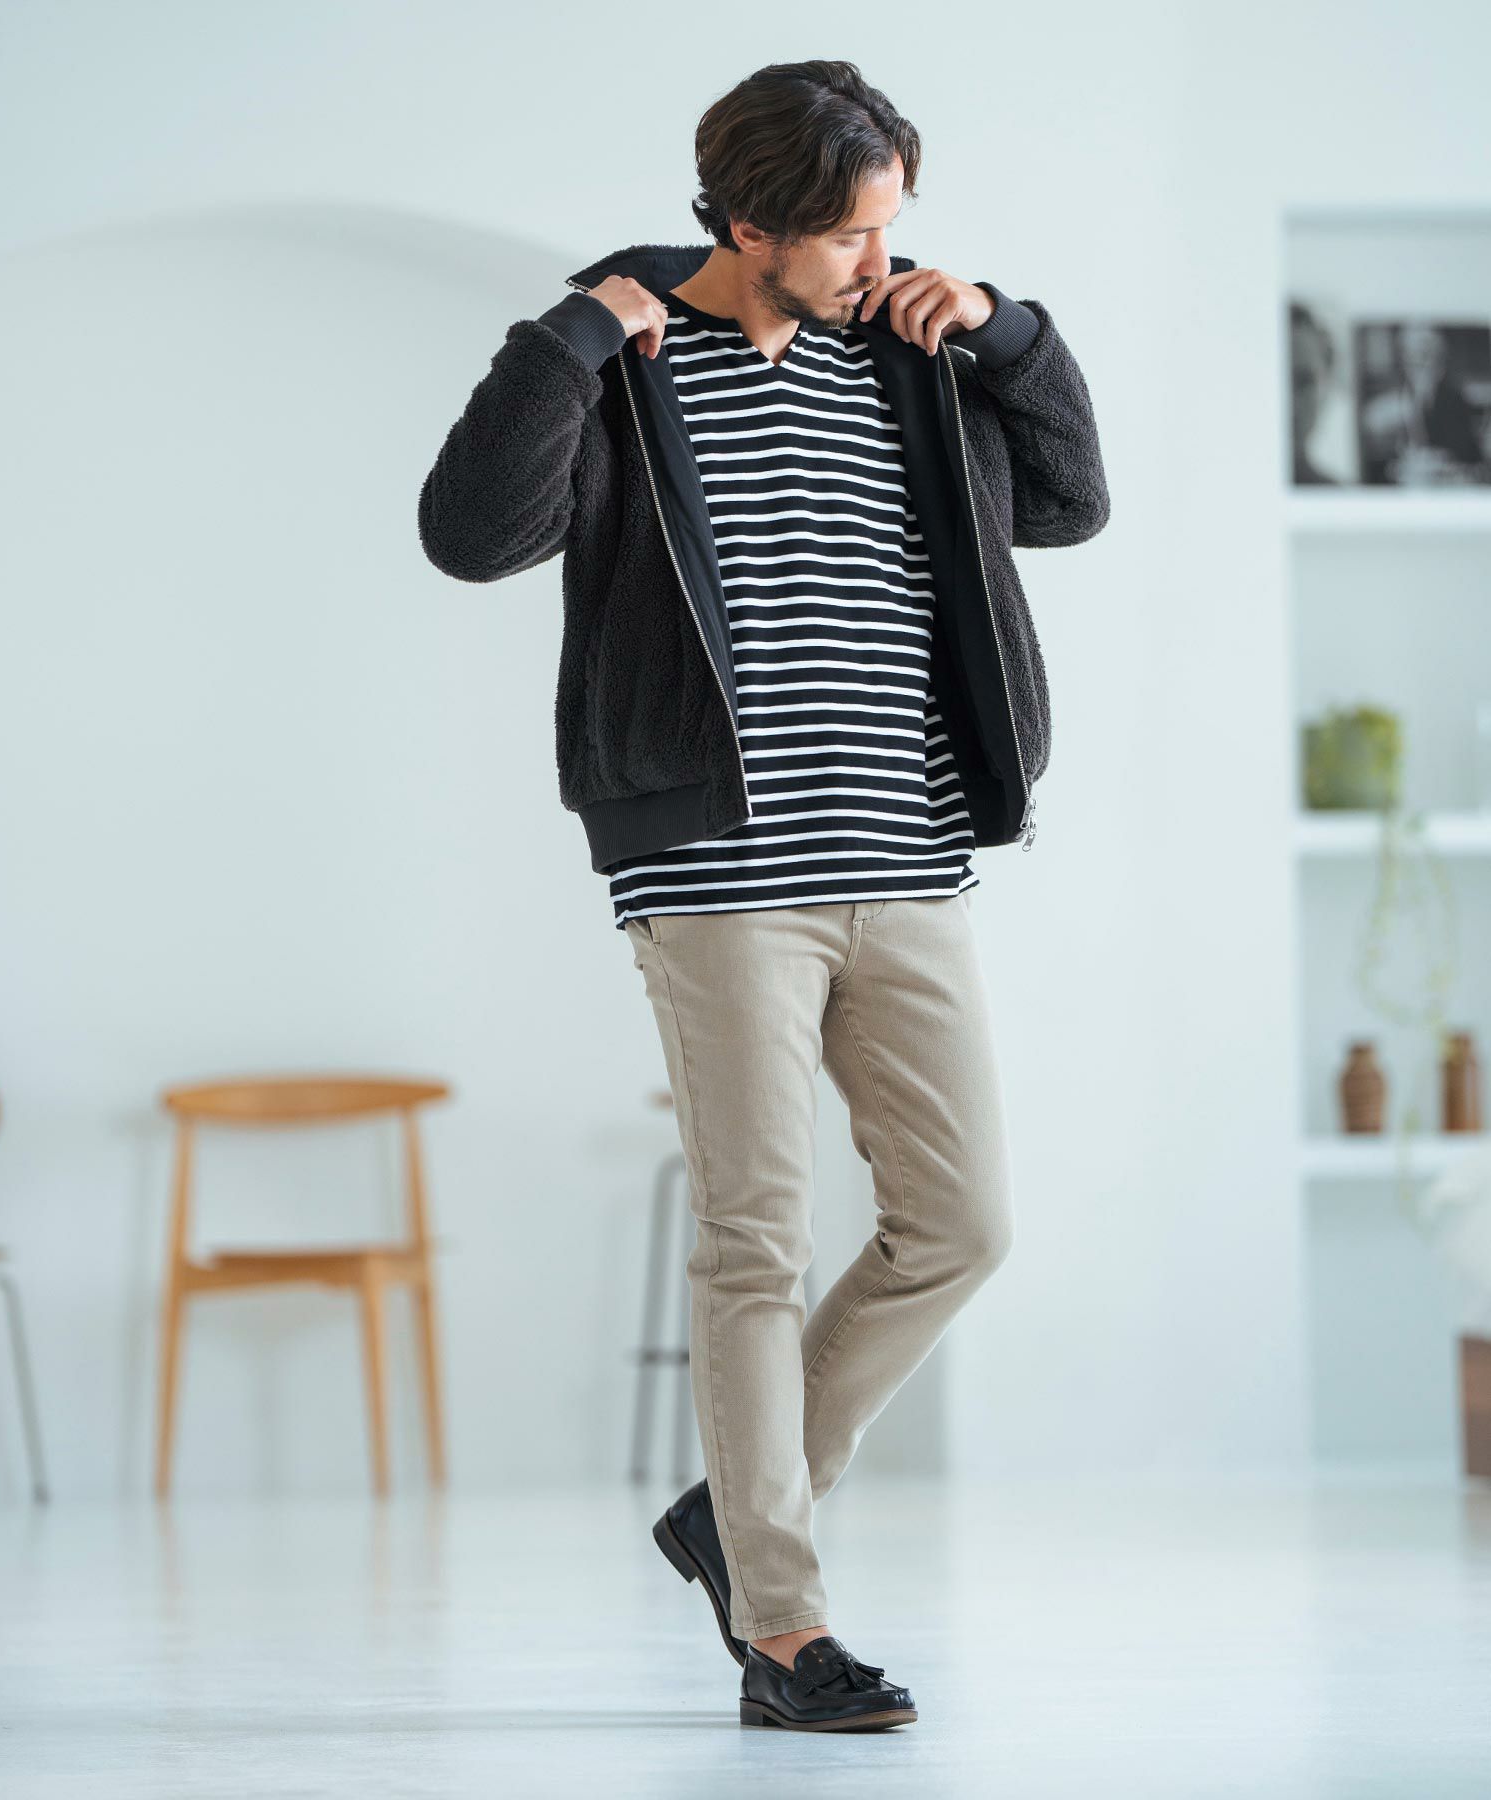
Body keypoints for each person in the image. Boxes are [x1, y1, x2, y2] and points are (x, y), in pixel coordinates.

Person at [418, 58, 1110, 1733]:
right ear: (748, 226)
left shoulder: (914, 351)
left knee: (964, 1223)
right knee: (757, 1240)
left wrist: (1008, 329)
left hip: (909, 854)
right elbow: (469, 534)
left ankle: (731, 1515)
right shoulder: (628, 361)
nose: (885, 256)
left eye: (894, 223)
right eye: (855, 234)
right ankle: (783, 1628)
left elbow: (1074, 502)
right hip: (721, 872)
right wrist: (567, 340)